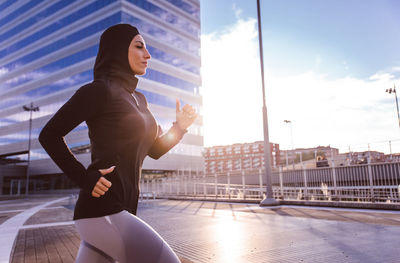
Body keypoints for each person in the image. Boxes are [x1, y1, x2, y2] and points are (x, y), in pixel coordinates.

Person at [39, 24, 197, 263]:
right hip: (103, 211)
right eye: (139, 46)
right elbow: (49, 135)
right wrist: (84, 177)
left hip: (121, 210)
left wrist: (180, 127)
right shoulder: (99, 91)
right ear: (118, 50)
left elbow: (153, 151)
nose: (148, 54)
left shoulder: (140, 100)